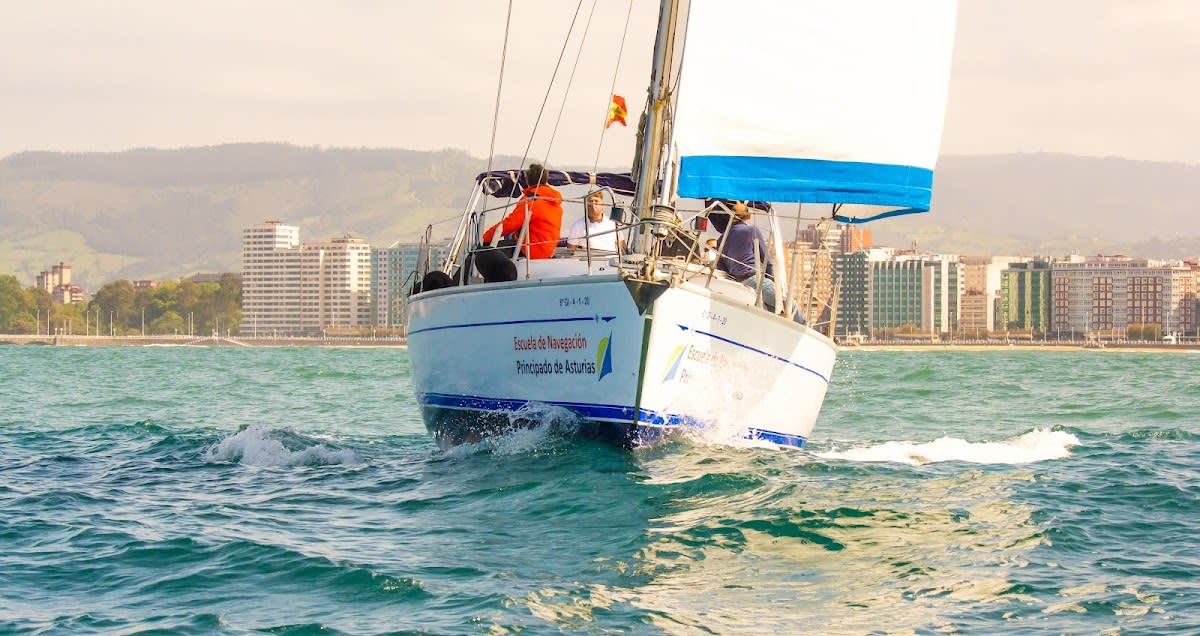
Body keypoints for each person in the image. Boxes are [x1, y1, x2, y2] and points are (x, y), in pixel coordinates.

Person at [711, 202, 804, 324]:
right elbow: (766, 258)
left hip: (738, 284)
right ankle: (806, 330)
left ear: (732, 217)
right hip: (754, 279)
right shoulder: (751, 230)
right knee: (790, 306)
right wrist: (775, 282)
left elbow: (721, 266)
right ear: (748, 217)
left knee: (771, 311)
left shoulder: (721, 238)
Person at [481, 163, 563, 259]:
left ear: (527, 180)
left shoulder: (531, 200)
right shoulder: (555, 203)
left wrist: (485, 238)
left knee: (482, 253)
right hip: (547, 251)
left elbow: (510, 223)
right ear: (545, 180)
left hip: (530, 250)